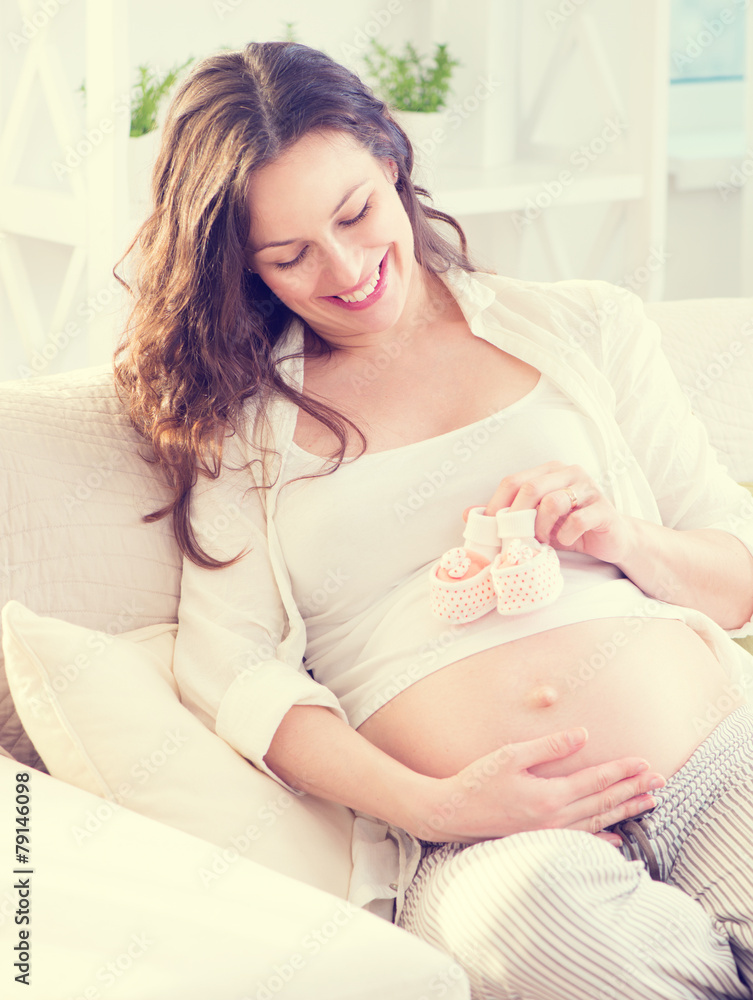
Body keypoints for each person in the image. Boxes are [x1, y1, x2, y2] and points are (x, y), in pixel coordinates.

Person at [114, 40, 753, 1000]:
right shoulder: (239, 430)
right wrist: (438, 805)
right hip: (494, 844)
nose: (345, 270)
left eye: (356, 212)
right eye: (288, 256)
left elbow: (735, 569)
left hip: (713, 759)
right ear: (243, 267)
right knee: (522, 922)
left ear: (391, 158)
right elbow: (230, 670)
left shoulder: (584, 327)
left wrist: (625, 536)